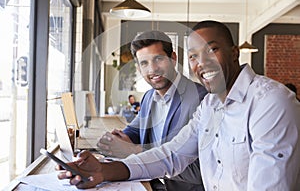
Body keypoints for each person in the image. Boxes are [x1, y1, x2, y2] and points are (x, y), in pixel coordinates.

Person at [57, 20, 300, 190]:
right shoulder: (210, 105)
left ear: (235, 52)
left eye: (211, 50)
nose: (202, 63)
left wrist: (126, 152)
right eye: (193, 56)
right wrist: (102, 170)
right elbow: (171, 155)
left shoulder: (270, 102)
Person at [97, 31, 207, 190]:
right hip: (150, 184)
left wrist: (134, 151)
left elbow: (200, 170)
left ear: (173, 58)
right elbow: (135, 130)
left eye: (158, 59)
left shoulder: (200, 99)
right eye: (144, 63)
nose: (152, 69)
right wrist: (118, 139)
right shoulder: (149, 97)